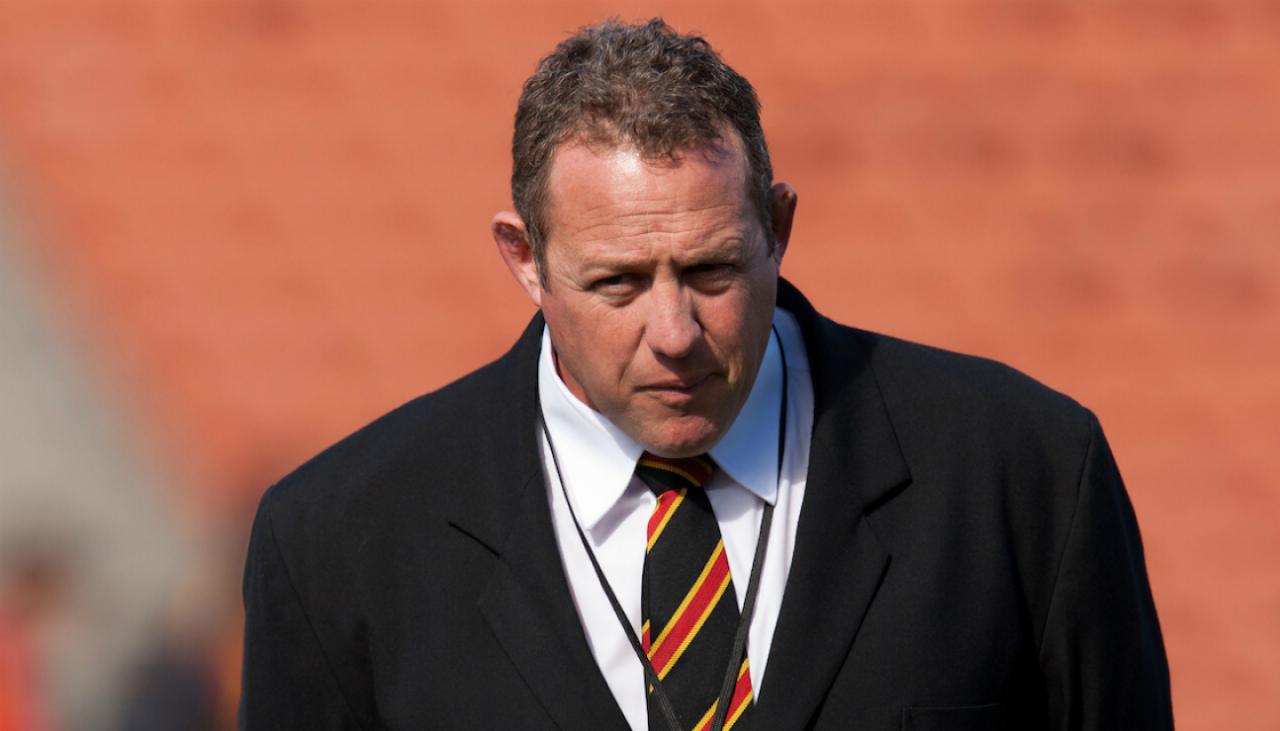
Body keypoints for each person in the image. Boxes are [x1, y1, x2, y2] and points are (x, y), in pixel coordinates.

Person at [239, 18, 1173, 730]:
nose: (674, 333)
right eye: (618, 282)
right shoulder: (337, 544)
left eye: (712, 270)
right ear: (524, 257)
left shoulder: (1020, 474)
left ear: (780, 226)